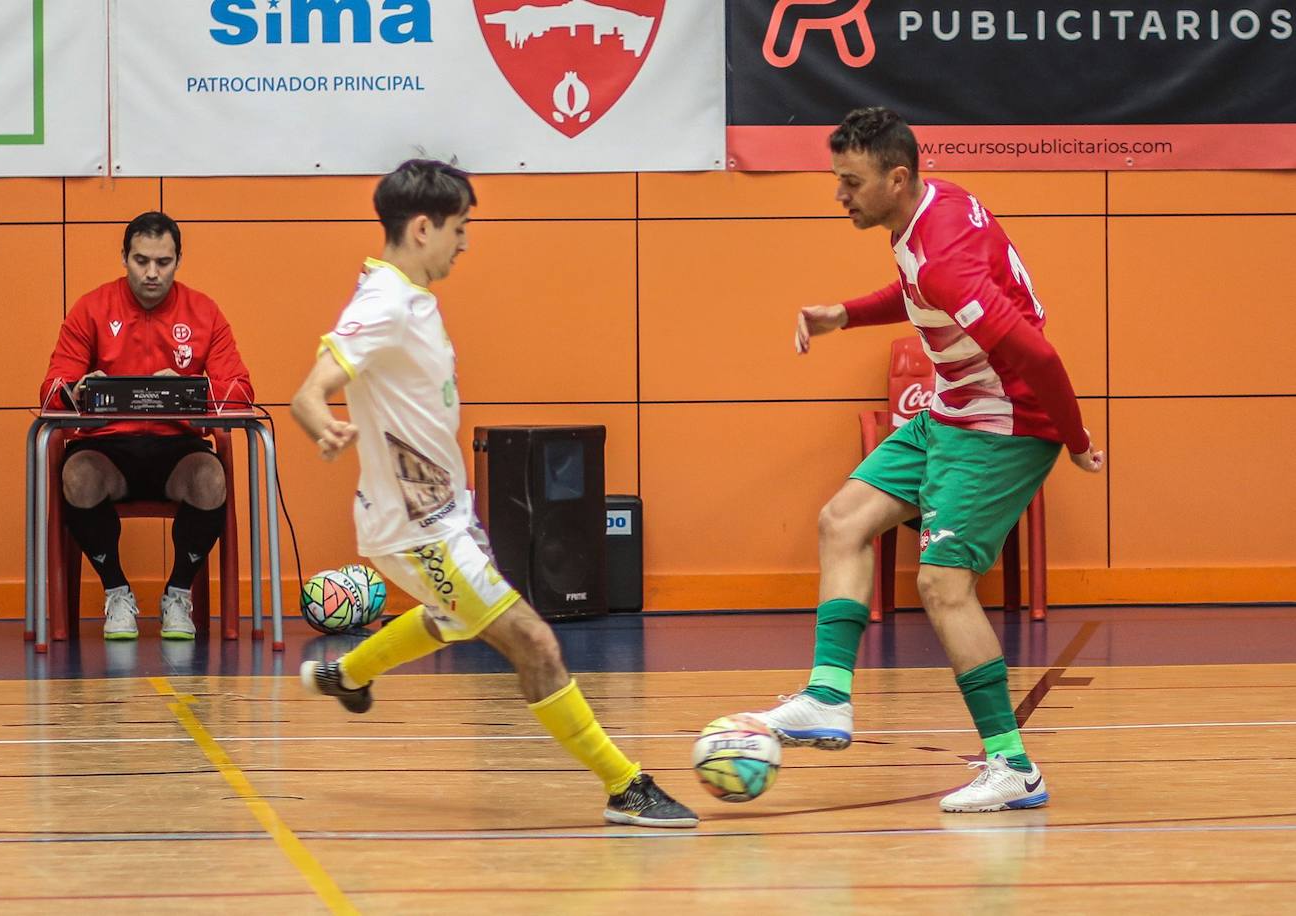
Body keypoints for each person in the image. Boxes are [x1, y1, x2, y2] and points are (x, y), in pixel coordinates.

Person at [290, 159, 698, 828]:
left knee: (454, 617)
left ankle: (350, 675)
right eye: (460, 227)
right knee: (534, 643)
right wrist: (322, 425)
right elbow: (311, 387)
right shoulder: (383, 303)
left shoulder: (409, 297)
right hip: (418, 527)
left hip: (448, 513)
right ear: (422, 228)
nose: (466, 241)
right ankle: (626, 786)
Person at [751, 108, 1105, 812]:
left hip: (1004, 424)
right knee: (842, 520)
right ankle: (827, 698)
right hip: (951, 409)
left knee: (943, 585)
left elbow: (1035, 352)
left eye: (850, 183)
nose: (840, 196)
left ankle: (1013, 767)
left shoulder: (945, 256)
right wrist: (845, 315)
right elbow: (917, 294)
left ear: (897, 176)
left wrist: (1075, 439)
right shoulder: (929, 212)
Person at [40, 211, 254, 641]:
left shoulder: (204, 312)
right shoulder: (91, 308)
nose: (152, 273)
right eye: (141, 261)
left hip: (176, 449)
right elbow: (49, 392)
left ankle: (177, 594)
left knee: (212, 479)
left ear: (178, 260)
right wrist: (79, 390)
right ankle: (117, 592)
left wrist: (194, 390)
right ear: (124, 258)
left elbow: (242, 392)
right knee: (76, 477)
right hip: (107, 450)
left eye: (163, 262)